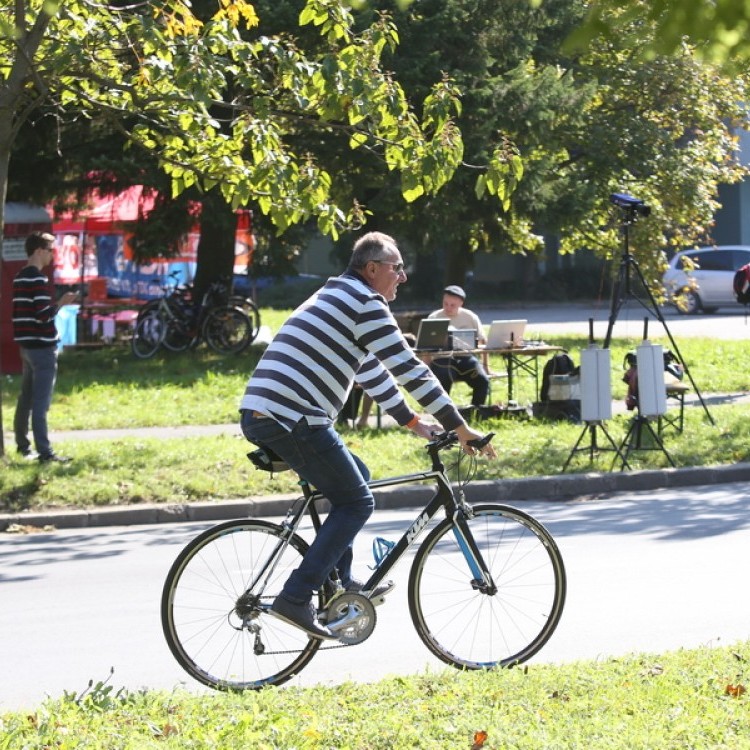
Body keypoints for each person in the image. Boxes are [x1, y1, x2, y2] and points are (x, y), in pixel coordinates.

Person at [239, 232, 495, 639]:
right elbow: (409, 368)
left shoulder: (338, 295)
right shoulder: (365, 302)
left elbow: (370, 370)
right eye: (397, 268)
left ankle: (339, 585)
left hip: (273, 412)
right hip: (291, 416)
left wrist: (412, 422)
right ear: (371, 268)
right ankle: (295, 597)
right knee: (357, 502)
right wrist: (459, 426)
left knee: (356, 475)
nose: (403, 277)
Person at [12, 231, 78, 463]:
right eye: (50, 250)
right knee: (41, 402)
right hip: (42, 347)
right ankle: (45, 452)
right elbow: (42, 315)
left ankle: (23, 446)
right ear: (39, 251)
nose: (52, 255)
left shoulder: (19, 277)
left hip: (26, 346)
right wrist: (61, 303)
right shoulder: (38, 279)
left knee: (25, 398)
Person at [426, 285, 490, 407]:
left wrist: (486, 367)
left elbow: (483, 342)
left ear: (461, 303)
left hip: (465, 358)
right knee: (444, 377)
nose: (448, 308)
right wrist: (426, 368)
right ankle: (443, 413)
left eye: (452, 305)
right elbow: (426, 346)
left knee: (482, 381)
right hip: (442, 360)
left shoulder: (470, 317)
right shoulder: (434, 317)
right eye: (445, 304)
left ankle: (476, 411)